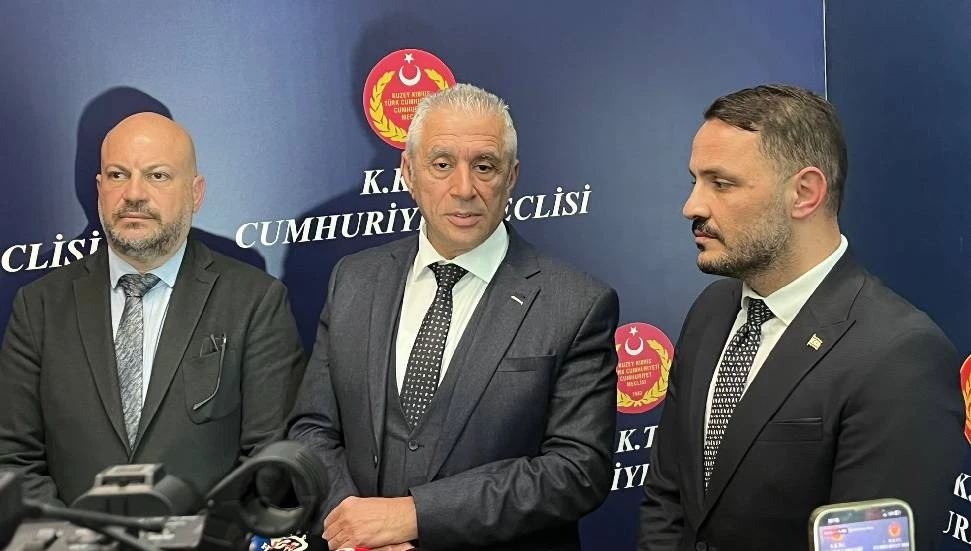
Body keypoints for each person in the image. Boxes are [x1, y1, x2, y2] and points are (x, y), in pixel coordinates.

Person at [288, 83, 619, 551]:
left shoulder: (578, 303)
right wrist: (356, 530)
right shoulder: (354, 279)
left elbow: (577, 469)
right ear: (408, 172)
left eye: (484, 166)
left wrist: (414, 516)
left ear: (511, 177)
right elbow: (311, 429)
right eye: (442, 164)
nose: (464, 189)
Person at [637, 84, 964, 551]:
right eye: (695, 181)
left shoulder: (900, 357)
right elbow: (669, 497)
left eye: (721, 183)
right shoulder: (711, 311)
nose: (693, 206)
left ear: (805, 193)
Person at [0, 112, 305, 506]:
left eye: (157, 176)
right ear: (99, 189)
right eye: (118, 175)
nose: (133, 194)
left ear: (196, 193)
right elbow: (13, 459)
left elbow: (270, 461)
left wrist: (203, 534)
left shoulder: (255, 300)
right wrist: (76, 535)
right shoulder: (39, 306)